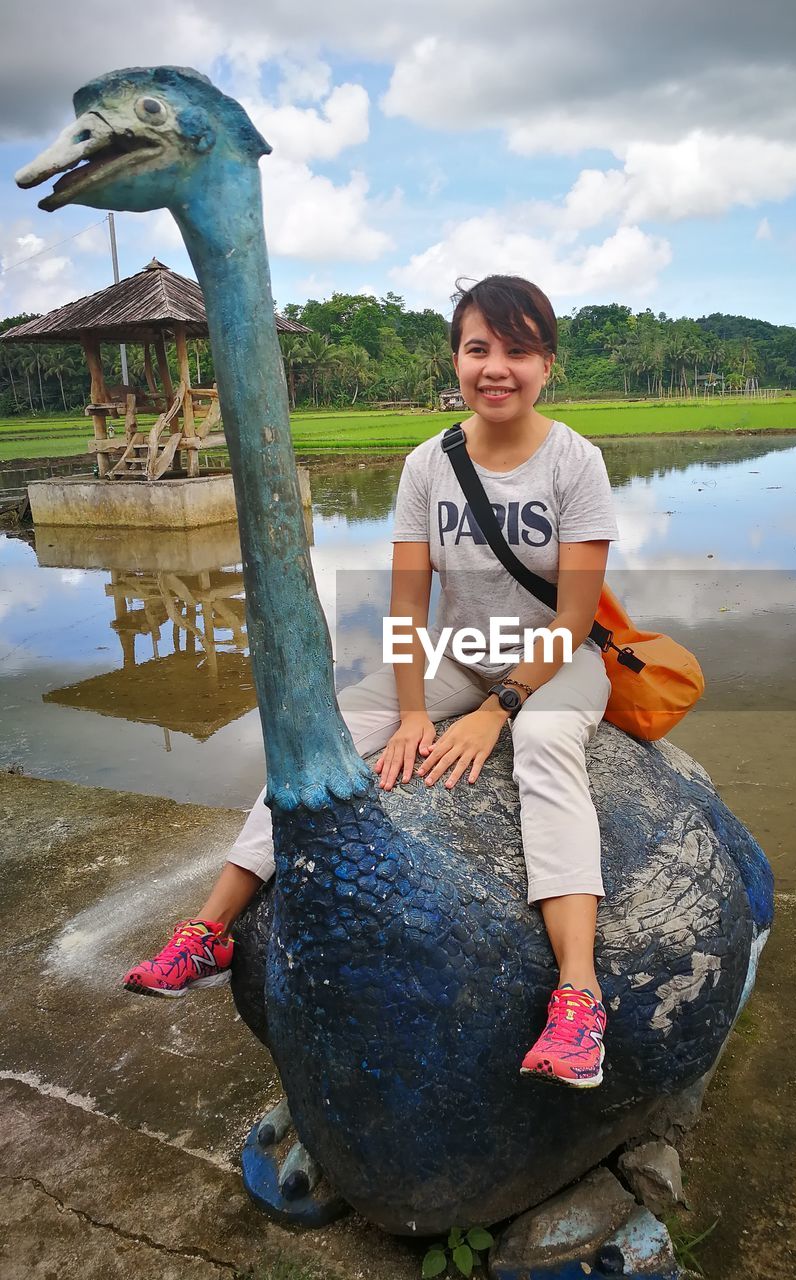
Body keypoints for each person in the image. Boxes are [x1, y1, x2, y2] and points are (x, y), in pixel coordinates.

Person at [122, 275, 619, 1088]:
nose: (497, 368)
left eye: (518, 351)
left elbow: (572, 618)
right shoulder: (430, 464)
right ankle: (209, 930)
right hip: (459, 655)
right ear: (456, 358)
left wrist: (497, 711)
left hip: (558, 665)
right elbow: (405, 605)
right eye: (478, 348)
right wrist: (416, 711)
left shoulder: (575, 462)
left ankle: (578, 995)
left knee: (545, 744)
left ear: (547, 365)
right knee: (324, 734)